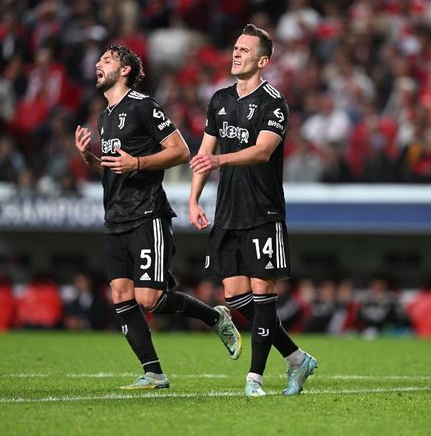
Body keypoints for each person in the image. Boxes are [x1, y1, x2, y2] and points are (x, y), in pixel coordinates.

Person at [74, 44, 241, 390]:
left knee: (147, 298)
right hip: (114, 217)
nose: (97, 64)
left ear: (125, 71)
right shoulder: (105, 117)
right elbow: (115, 167)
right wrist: (91, 160)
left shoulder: (142, 106)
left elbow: (180, 151)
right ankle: (154, 373)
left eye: (107, 60)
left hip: (146, 213)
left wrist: (136, 163)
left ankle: (214, 316)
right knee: (121, 295)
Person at [188, 24, 317, 397]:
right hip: (228, 211)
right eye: (235, 47)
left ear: (263, 60)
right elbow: (203, 154)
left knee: (263, 294)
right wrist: (194, 199)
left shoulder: (274, 102)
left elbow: (262, 151)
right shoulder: (219, 99)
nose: (236, 53)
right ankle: (296, 358)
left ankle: (254, 379)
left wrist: (218, 160)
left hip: (263, 210)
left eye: (244, 49)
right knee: (237, 298)